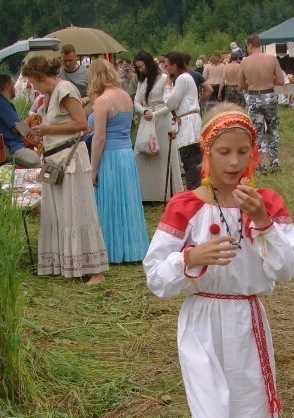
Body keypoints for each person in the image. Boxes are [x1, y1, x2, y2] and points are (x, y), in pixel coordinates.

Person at [143, 103, 294, 418]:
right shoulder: (186, 205)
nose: (234, 162)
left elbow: (289, 267)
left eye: (242, 152)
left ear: (253, 154)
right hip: (202, 324)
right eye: (223, 152)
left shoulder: (266, 202)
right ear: (205, 155)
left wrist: (264, 225)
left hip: (246, 325)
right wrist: (192, 256)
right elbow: (155, 275)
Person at [22, 56, 108, 284]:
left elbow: (82, 124)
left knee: (78, 212)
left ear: (40, 77)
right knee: (61, 213)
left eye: (33, 81)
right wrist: (42, 132)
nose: (33, 87)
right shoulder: (49, 95)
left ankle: (95, 270)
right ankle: (68, 263)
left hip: (70, 160)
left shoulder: (65, 89)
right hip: (55, 159)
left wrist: (49, 128)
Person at [88, 59, 149, 263]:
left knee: (110, 201)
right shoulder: (124, 95)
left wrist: (93, 168)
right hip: (125, 153)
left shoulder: (102, 101)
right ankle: (130, 247)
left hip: (110, 155)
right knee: (126, 202)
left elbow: (99, 137)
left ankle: (110, 249)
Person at [133, 50, 183, 202]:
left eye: (142, 66)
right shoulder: (142, 82)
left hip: (162, 119)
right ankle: (147, 194)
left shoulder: (163, 79)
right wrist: (144, 111)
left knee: (164, 154)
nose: (140, 70)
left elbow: (170, 104)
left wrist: (154, 114)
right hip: (147, 119)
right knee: (143, 154)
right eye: (138, 68)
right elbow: (136, 101)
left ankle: (166, 193)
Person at [238, 33, 285, 173]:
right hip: (269, 95)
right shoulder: (271, 59)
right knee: (273, 130)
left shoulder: (245, 62)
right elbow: (281, 81)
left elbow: (240, 85)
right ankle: (274, 162)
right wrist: (270, 81)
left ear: (250, 45)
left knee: (257, 132)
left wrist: (252, 83)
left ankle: (260, 165)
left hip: (253, 97)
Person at [162, 52, 202, 190]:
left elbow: (170, 103)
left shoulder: (183, 78)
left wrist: (167, 86)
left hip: (189, 125)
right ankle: (196, 191)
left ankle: (194, 193)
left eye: (167, 66)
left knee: (190, 163)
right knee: (192, 161)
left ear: (174, 65)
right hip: (187, 121)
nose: (166, 69)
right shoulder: (184, 78)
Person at [0, 74, 41, 168]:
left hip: (16, 144)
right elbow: (18, 126)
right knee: (39, 161)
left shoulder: (3, 103)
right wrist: (33, 136)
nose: (15, 88)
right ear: (7, 86)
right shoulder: (1, 104)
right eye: (13, 85)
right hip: (13, 147)